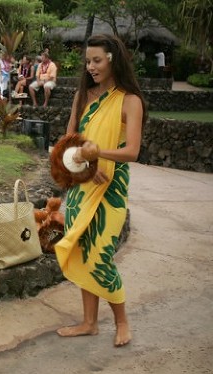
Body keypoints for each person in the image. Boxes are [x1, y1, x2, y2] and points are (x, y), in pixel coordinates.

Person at [54, 34, 146, 347]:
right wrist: (84, 167)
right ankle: (90, 322)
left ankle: (122, 322)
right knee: (82, 252)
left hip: (112, 188)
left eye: (97, 60)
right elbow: (69, 142)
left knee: (101, 256)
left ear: (112, 59)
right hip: (83, 185)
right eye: (88, 61)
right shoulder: (82, 97)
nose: (91, 67)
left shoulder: (130, 101)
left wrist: (98, 156)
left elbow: (132, 151)